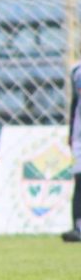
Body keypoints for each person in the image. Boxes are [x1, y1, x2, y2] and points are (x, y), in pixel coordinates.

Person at [63, 61, 81, 243]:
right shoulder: (77, 71)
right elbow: (74, 104)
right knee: (80, 181)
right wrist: (70, 134)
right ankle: (78, 226)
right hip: (80, 137)